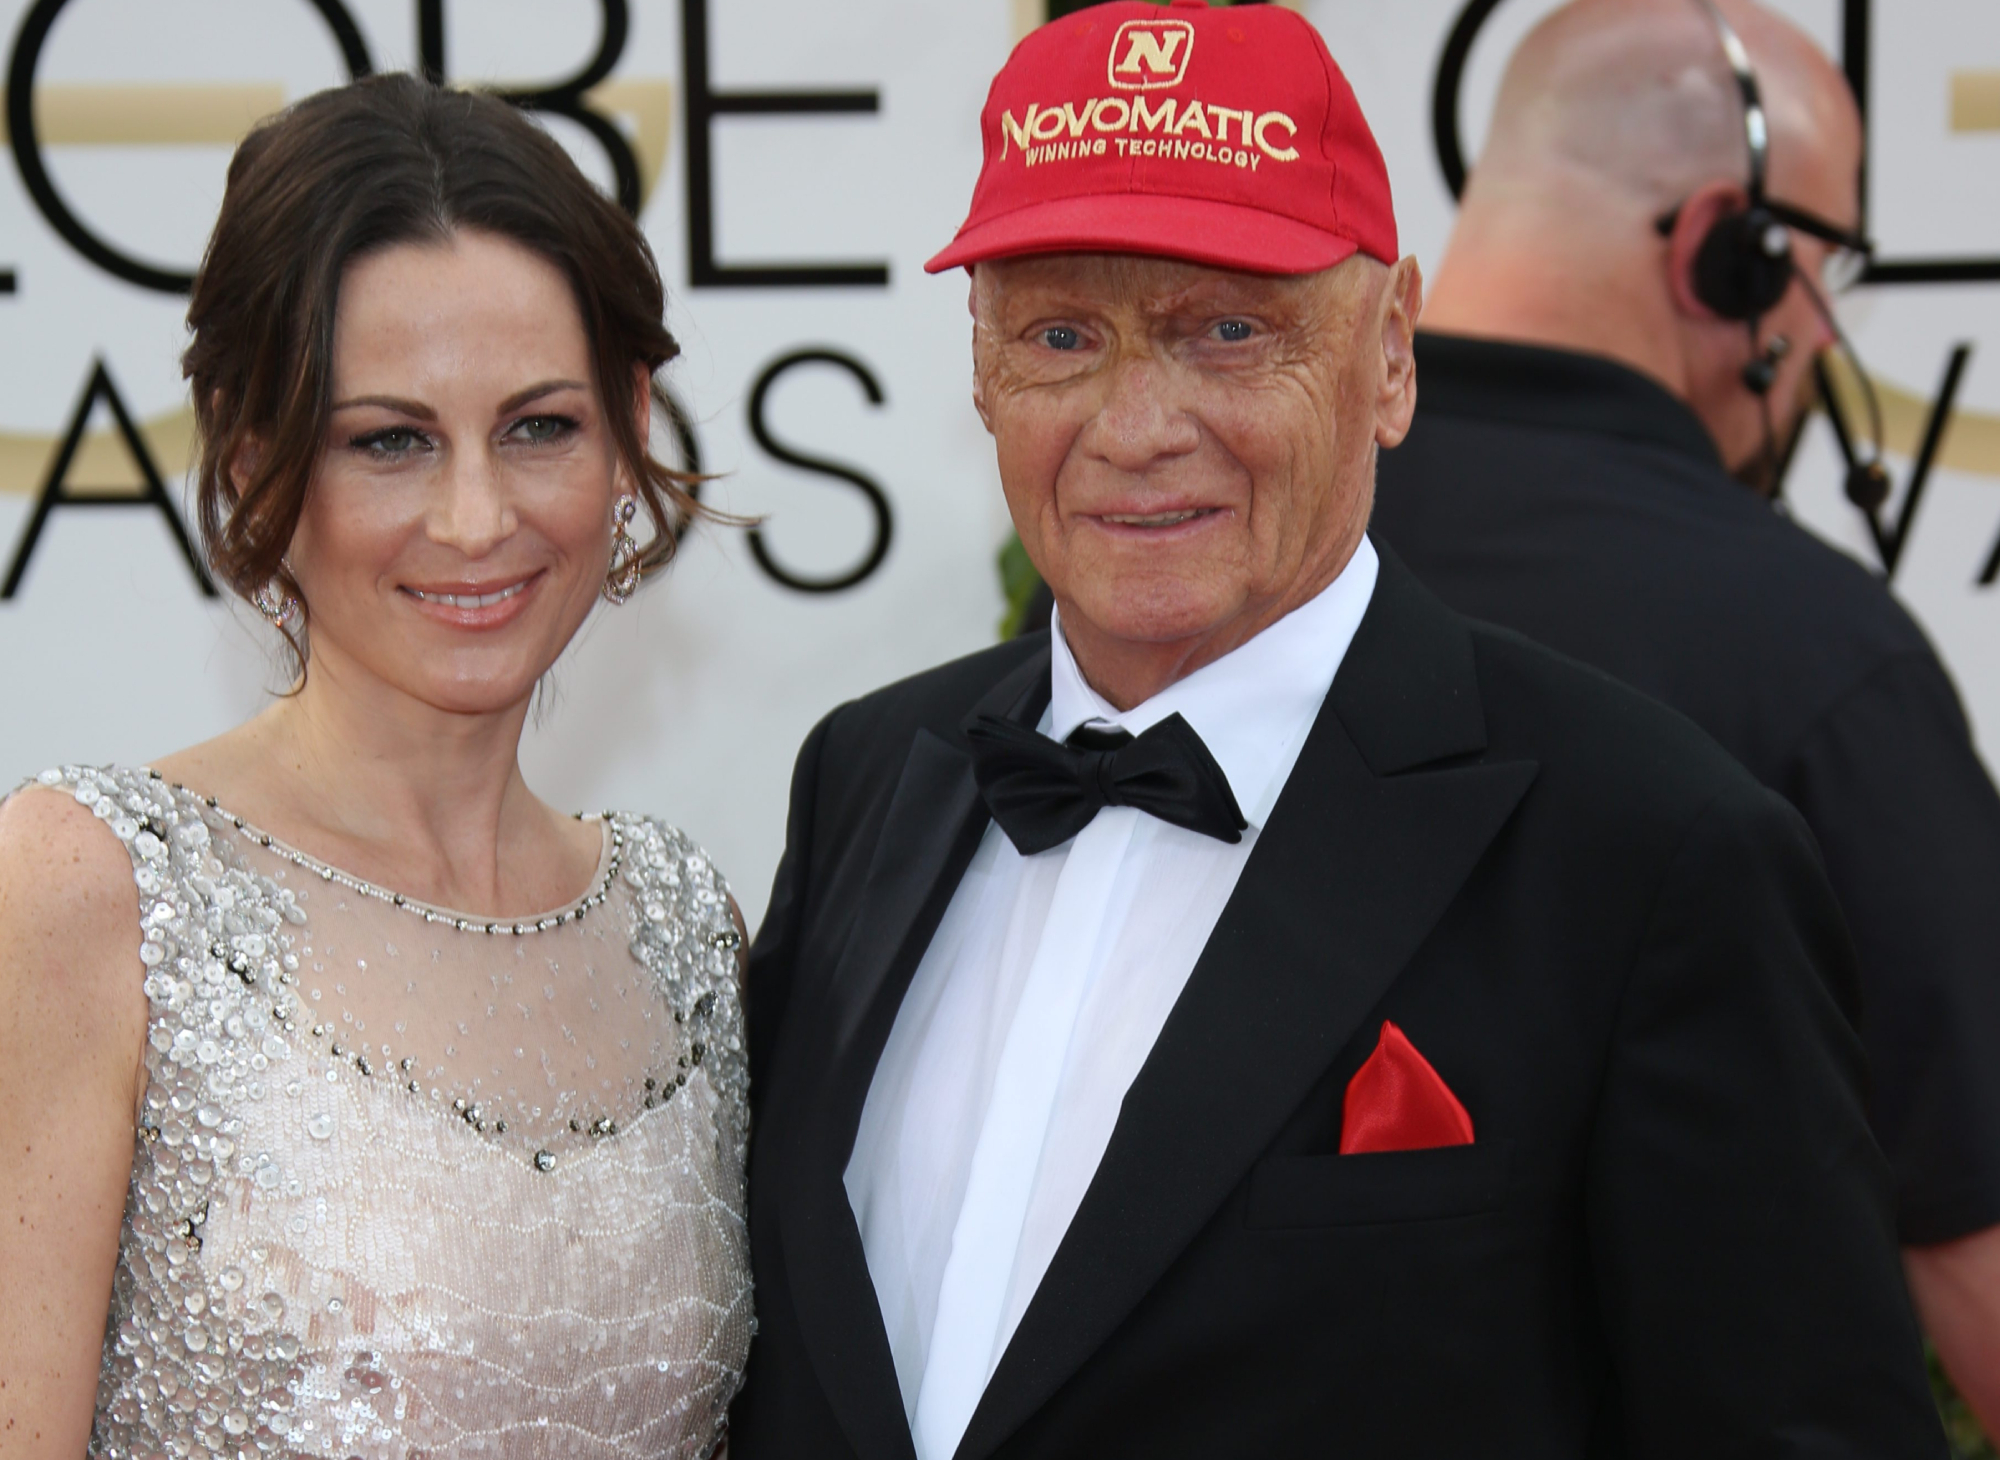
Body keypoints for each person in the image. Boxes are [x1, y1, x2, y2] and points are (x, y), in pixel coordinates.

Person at [730, 3, 1943, 1455]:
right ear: (982, 366)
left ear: (1390, 356)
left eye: (1229, 331)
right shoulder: (867, 776)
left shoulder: (1657, 854)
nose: (1136, 425)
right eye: (1063, 334)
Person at [0, 76, 750, 1459]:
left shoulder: (689, 931)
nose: (477, 518)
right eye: (389, 441)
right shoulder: (90, 893)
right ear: (253, 455)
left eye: (540, 426)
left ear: (632, 428)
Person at [1368, 0, 2000, 1427]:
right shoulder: (1814, 654)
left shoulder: (1189, 592)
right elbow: (1980, 1255)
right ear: (1731, 246)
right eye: (1818, 276)